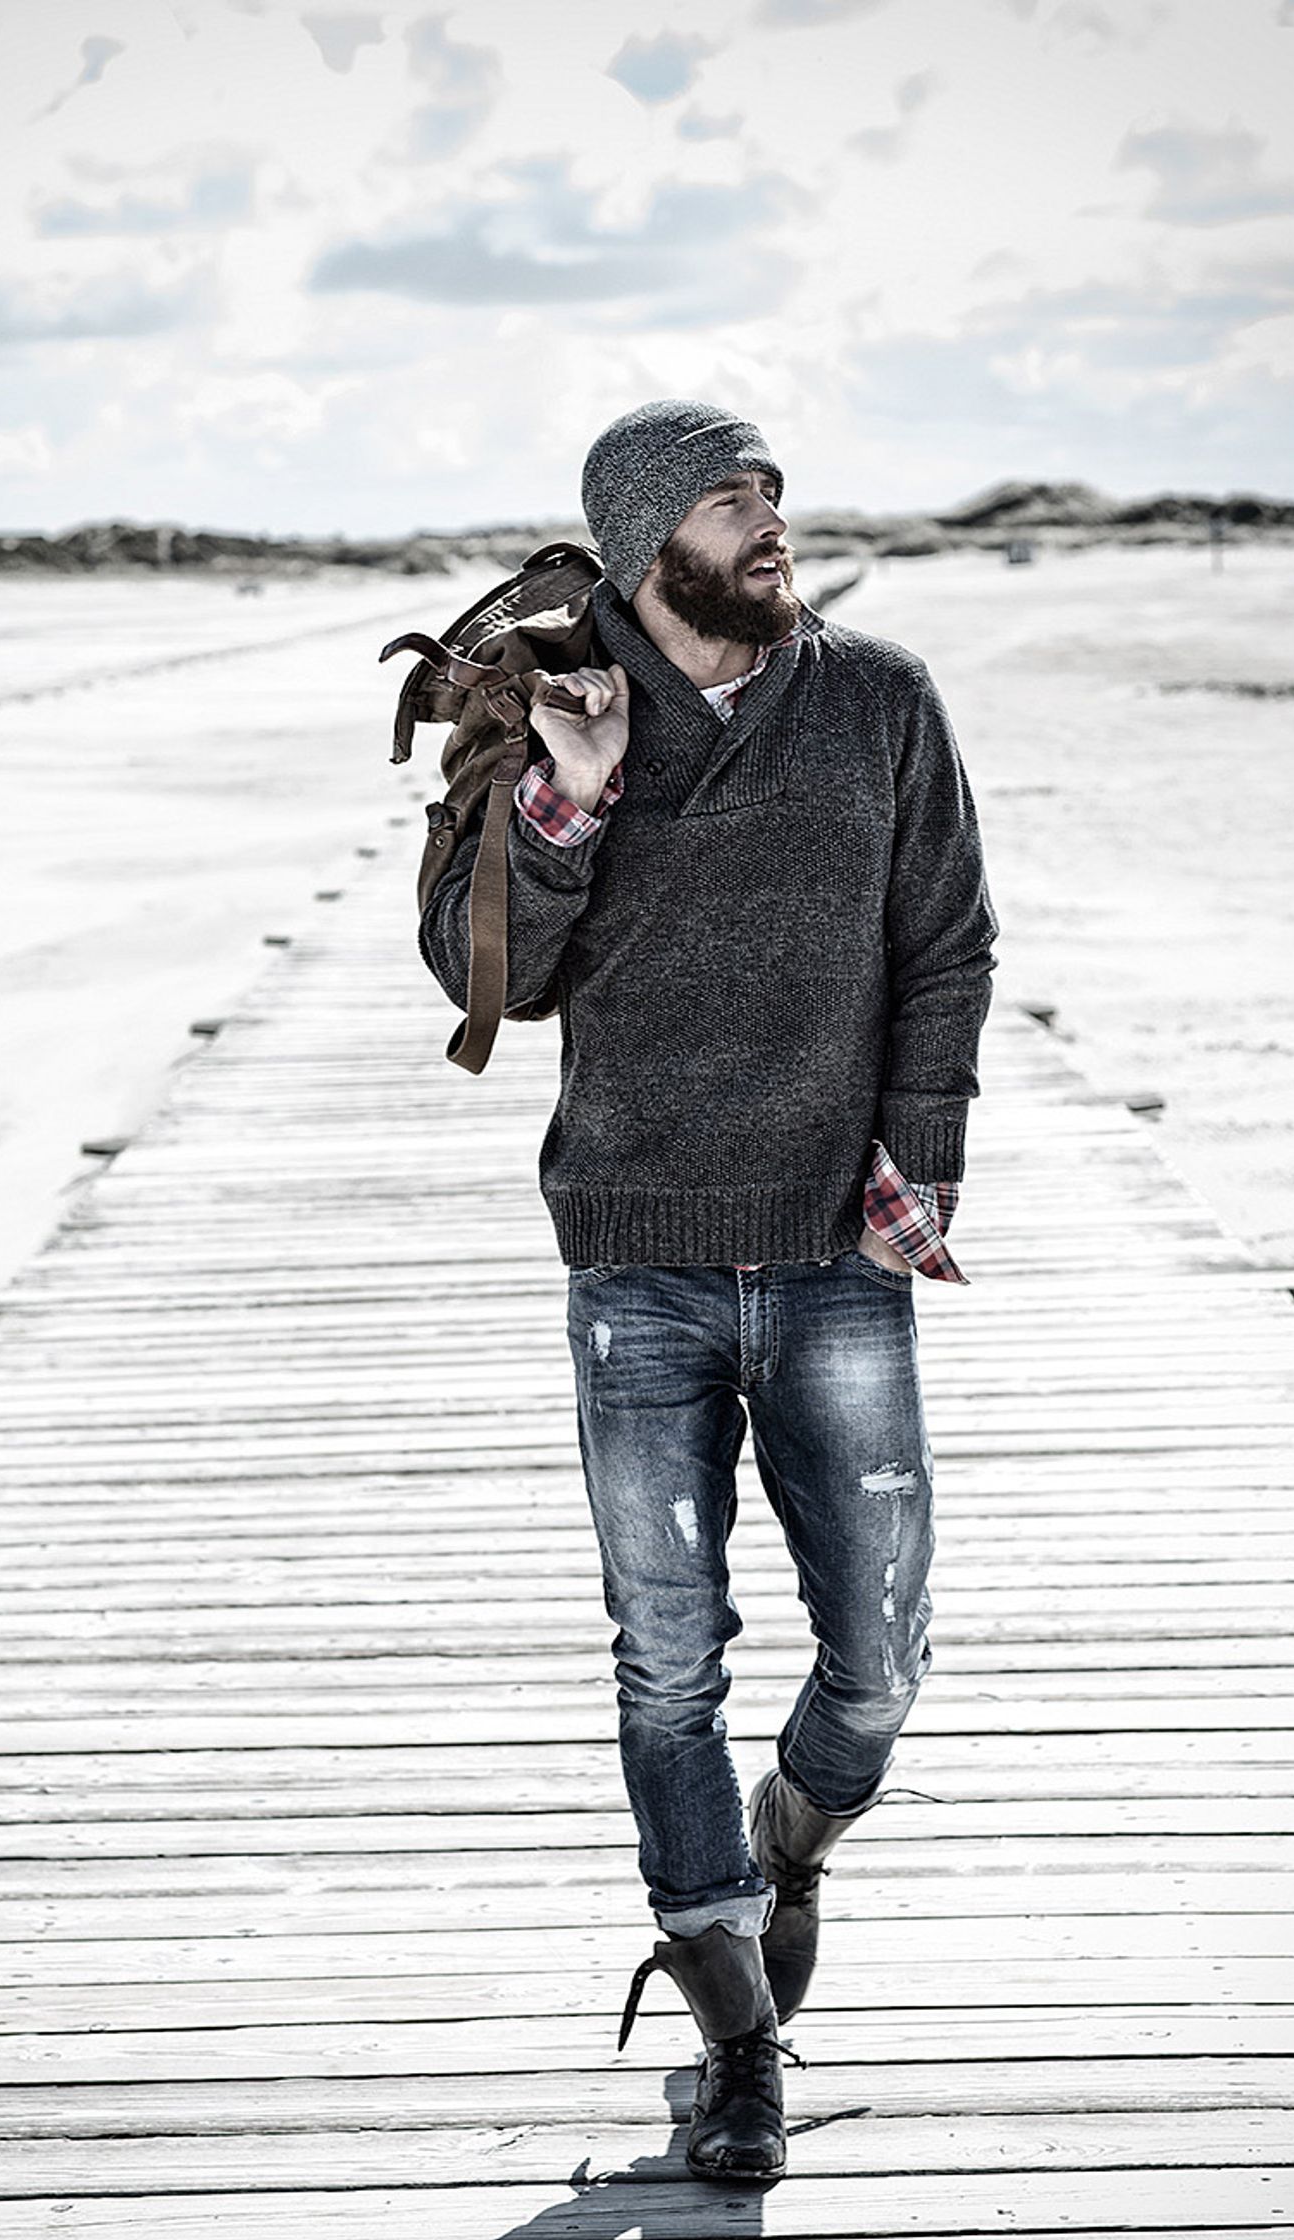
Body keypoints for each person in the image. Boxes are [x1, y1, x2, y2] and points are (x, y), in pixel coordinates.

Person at [418, 398, 998, 2181]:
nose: (767, 521)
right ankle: (736, 2025)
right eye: (729, 499)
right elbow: (479, 979)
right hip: (636, 1258)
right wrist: (567, 804)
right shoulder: (558, 712)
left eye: (772, 492)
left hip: (835, 1247)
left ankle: (792, 1842)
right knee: (665, 1662)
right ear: (647, 534)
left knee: (881, 1659)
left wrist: (915, 1160)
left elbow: (948, 942)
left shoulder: (878, 698)